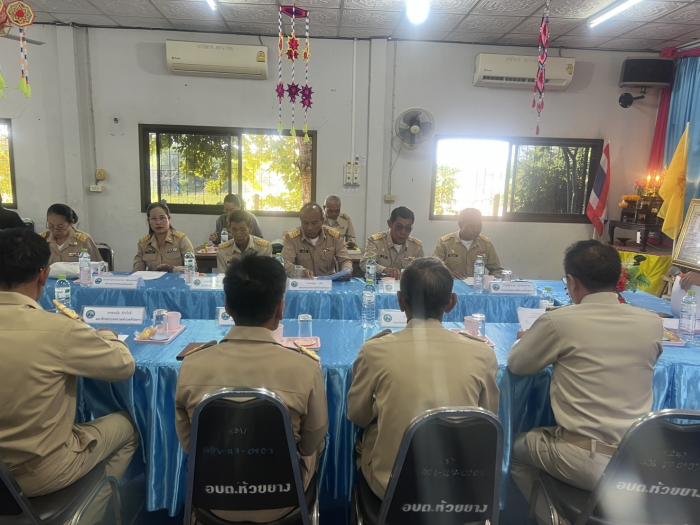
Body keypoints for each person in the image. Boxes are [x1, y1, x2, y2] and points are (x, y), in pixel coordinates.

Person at [176, 255, 328, 522]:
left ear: (227, 307)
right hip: (284, 501)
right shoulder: (305, 368)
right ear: (280, 309)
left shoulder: (192, 366)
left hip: (213, 500)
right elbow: (310, 443)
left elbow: (190, 445)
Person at [508, 240, 663, 502]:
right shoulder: (652, 322)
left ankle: (556, 517)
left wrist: (525, 339)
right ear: (618, 278)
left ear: (571, 282)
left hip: (584, 458)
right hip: (637, 458)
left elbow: (518, 364)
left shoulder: (559, 321)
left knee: (517, 449)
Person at [0, 228, 137, 522]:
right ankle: (88, 515)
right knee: (128, 427)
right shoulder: (57, 330)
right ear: (43, 276)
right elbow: (123, 365)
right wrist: (105, 335)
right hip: (40, 473)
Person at [348, 257, 499, 499]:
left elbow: (358, 416)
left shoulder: (375, 351)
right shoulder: (483, 354)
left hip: (392, 490)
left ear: (400, 301)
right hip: (459, 490)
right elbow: (487, 420)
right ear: (452, 303)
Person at [281, 202, 352, 278]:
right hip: (303, 282)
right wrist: (300, 272)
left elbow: (345, 260)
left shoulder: (334, 237)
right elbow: (285, 263)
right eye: (305, 223)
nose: (309, 227)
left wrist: (346, 270)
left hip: (328, 281)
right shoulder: (291, 238)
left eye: (314, 223)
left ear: (322, 221)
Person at [433, 208, 503, 279]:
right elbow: (433, 267)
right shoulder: (445, 243)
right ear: (460, 225)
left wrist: (491, 280)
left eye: (479, 226)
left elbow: (497, 270)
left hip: (477, 285)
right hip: (452, 284)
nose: (476, 230)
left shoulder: (486, 244)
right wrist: (448, 274)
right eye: (471, 226)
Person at [361, 206, 423, 279]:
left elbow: (423, 271)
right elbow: (365, 264)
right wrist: (384, 270)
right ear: (389, 224)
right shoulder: (376, 242)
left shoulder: (416, 246)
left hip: (405, 284)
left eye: (407, 228)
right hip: (380, 284)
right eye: (399, 227)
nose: (403, 232)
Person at [133, 202, 194, 272]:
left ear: (169, 219)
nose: (158, 222)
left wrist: (172, 269)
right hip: (153, 279)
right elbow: (137, 272)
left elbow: (192, 268)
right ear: (148, 221)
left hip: (177, 278)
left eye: (162, 218)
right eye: (154, 219)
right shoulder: (143, 243)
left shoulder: (181, 240)